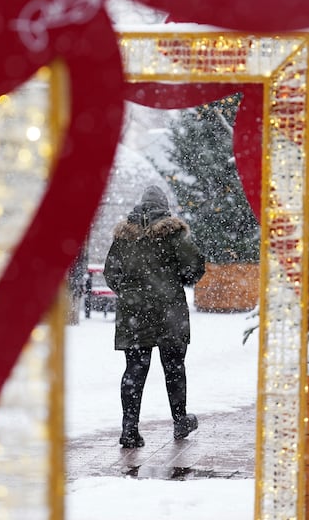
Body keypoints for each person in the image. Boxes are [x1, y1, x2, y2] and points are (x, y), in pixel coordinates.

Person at [103, 186, 206, 449]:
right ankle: (180, 420)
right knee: (174, 368)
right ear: (165, 206)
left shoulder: (124, 236)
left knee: (134, 371)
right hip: (168, 312)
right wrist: (176, 282)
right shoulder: (174, 234)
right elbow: (195, 266)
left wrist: (129, 294)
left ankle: (129, 429)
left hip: (133, 314)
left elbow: (111, 272)